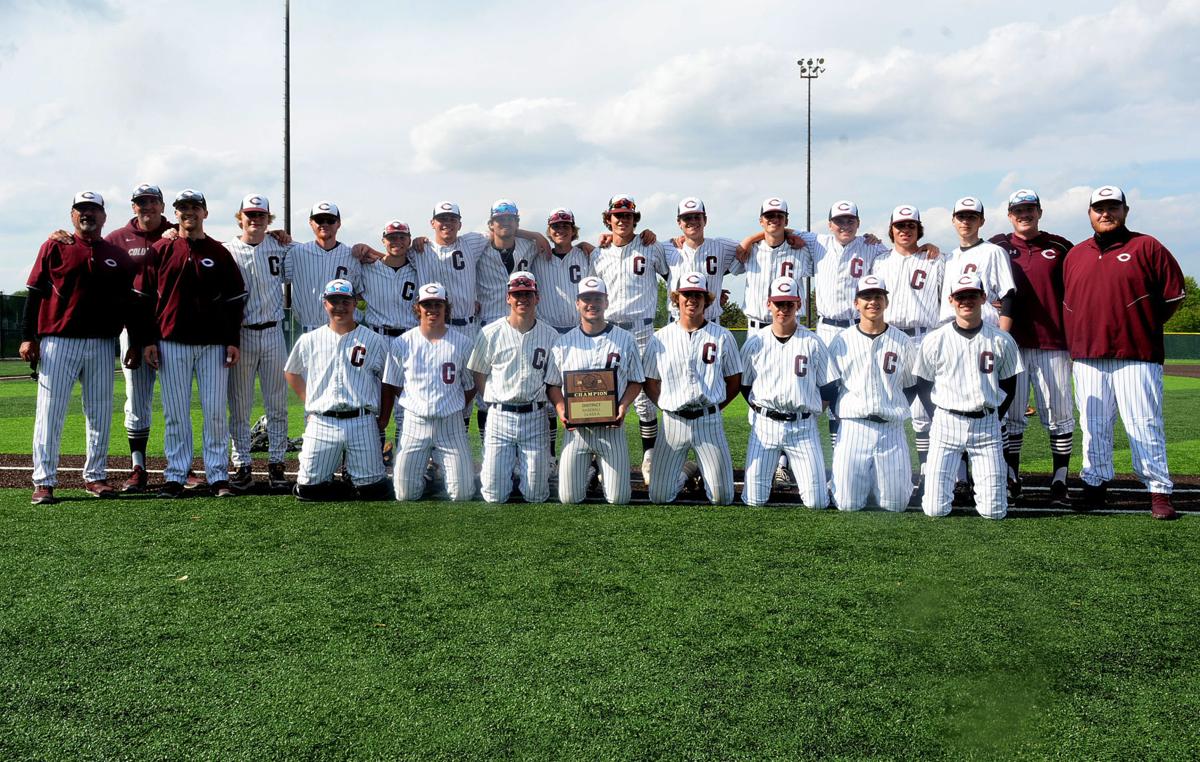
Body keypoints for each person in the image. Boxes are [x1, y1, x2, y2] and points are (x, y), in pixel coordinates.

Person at [1063, 185, 1185, 520]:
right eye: (1099, 208)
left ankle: (1158, 489)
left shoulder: (1146, 246)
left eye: (1112, 207)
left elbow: (1174, 296)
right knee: (1093, 423)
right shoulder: (1076, 254)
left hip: (1136, 353)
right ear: (1089, 214)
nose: (1106, 213)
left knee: (1143, 422)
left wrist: (1141, 324)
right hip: (1087, 354)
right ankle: (1095, 483)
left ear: (1125, 211)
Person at [23, 191, 136, 504]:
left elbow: (129, 303)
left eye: (93, 210)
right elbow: (34, 293)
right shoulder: (55, 246)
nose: (88, 215)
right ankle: (43, 482)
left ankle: (95, 476)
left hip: (101, 343)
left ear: (103, 216)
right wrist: (27, 335)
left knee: (99, 413)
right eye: (81, 209)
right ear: (72, 214)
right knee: (50, 413)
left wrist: (135, 341)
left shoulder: (115, 254)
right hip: (58, 341)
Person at [134, 189, 246, 498]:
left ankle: (218, 476)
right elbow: (142, 300)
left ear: (205, 213)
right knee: (176, 414)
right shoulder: (161, 249)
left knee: (214, 412)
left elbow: (235, 300)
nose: (189, 213)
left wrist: (232, 340)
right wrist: (147, 341)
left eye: (195, 207)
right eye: (183, 208)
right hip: (171, 343)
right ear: (177, 213)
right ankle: (175, 475)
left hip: (212, 344)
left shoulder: (219, 251)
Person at [988, 189, 1075, 506]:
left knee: (1060, 413)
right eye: (1018, 210)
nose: (1024, 214)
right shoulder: (996, 246)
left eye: (1030, 209)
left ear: (1040, 212)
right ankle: (1013, 477)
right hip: (1012, 344)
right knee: (1012, 415)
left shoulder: (1060, 246)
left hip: (1053, 342)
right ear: (1010, 215)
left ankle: (1060, 480)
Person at [914, 273, 1021, 519]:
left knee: (994, 512)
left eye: (972, 295)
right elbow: (923, 383)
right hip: (946, 424)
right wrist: (937, 416)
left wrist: (995, 415)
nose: (966, 301)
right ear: (951, 299)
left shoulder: (1002, 340)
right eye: (960, 296)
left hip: (986, 425)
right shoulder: (935, 339)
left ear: (983, 298)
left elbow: (1009, 384)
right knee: (934, 509)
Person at [283, 279, 392, 500]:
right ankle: (343, 484)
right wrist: (309, 404)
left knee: (374, 491)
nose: (340, 306)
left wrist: (384, 418)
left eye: (345, 300)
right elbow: (291, 372)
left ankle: (355, 481)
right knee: (307, 490)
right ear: (325, 304)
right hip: (324, 421)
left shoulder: (373, 340)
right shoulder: (310, 339)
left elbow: (388, 381)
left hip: (361, 420)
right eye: (334, 301)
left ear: (354, 303)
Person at [590, 194, 671, 483]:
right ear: (608, 219)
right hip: (609, 329)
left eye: (627, 216)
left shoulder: (651, 247)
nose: (622, 220)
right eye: (617, 215)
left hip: (642, 328)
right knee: (604, 393)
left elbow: (675, 273)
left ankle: (649, 455)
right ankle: (602, 456)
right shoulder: (598, 253)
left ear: (635, 219)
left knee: (646, 397)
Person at [643, 272, 743, 505]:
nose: (692, 300)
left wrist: (715, 407)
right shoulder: (660, 338)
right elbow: (650, 382)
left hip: (708, 422)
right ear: (676, 298)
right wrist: (668, 404)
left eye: (698, 295)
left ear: (706, 300)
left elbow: (734, 381)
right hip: (673, 423)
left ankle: (704, 471)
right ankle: (687, 472)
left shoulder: (723, 336)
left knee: (723, 498)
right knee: (659, 496)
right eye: (686, 294)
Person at [546, 276, 645, 505]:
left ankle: (599, 472)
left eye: (597, 298)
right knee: (569, 498)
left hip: (612, 429)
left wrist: (622, 406)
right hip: (577, 433)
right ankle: (590, 473)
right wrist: (561, 409)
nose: (592, 303)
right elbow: (552, 385)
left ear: (606, 302)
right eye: (586, 298)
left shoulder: (625, 339)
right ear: (577, 303)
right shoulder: (563, 342)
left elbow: (636, 381)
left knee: (619, 499)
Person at [739, 276, 836, 508]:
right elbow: (744, 385)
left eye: (789, 304)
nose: (783, 309)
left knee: (817, 503)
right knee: (754, 500)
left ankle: (833, 486)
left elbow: (829, 387)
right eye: (779, 303)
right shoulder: (755, 343)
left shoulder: (813, 342)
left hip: (802, 427)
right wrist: (761, 410)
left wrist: (811, 411)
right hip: (765, 426)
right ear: (768, 304)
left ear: (798, 305)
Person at [870, 205, 945, 504]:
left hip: (925, 336)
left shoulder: (936, 259)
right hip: (890, 337)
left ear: (919, 228)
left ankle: (929, 470)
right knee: (890, 404)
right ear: (891, 230)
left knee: (927, 411)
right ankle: (892, 469)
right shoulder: (879, 262)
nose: (905, 230)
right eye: (900, 225)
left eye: (911, 225)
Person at [103, 184, 175, 492]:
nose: (146, 206)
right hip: (133, 331)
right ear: (133, 206)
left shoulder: (177, 231)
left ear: (162, 205)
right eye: (140, 202)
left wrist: (274, 235)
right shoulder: (116, 240)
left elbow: (217, 247)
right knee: (137, 399)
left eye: (152, 201)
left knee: (177, 400)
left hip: (173, 329)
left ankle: (179, 467)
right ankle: (138, 467)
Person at [827, 274, 919, 512]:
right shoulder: (842, 341)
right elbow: (832, 387)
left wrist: (890, 405)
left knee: (896, 505)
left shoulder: (902, 341)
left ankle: (878, 480)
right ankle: (858, 480)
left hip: (891, 428)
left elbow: (909, 386)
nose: (872, 302)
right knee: (847, 504)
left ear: (886, 302)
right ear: (856, 303)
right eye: (866, 297)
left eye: (878, 296)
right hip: (854, 427)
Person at [467, 271, 560, 503]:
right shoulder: (490, 333)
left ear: (537, 297)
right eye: (517, 294)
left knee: (537, 495)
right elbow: (478, 371)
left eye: (527, 294)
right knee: (493, 495)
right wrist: (492, 399)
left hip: (535, 416)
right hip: (500, 416)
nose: (522, 299)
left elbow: (552, 380)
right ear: (508, 297)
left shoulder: (551, 335)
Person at [382, 282, 477, 502]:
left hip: (450, 424)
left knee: (462, 494)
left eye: (437, 304)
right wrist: (415, 401)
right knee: (405, 495)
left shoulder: (463, 343)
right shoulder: (402, 343)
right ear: (418, 307)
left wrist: (454, 403)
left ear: (446, 307)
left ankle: (438, 474)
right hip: (415, 423)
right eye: (427, 304)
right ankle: (427, 479)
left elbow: (471, 385)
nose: (432, 309)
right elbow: (394, 383)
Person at [224, 194, 291, 493]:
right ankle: (243, 465)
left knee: (277, 405)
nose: (255, 219)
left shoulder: (280, 246)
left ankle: (277, 465)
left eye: (261, 215)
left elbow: (318, 253)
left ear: (269, 219)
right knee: (240, 406)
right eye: (249, 214)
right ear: (240, 217)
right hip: (242, 335)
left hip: (274, 332)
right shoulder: (227, 251)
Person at [282, 201, 362, 333]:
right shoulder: (296, 252)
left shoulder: (352, 255)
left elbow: (359, 294)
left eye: (330, 220)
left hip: (343, 331)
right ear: (311, 223)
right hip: (307, 329)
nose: (324, 224)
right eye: (319, 220)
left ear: (339, 224)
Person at [662, 197, 744, 322]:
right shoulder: (668, 248)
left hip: (711, 321)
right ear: (679, 222)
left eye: (697, 217)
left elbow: (756, 246)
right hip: (676, 323)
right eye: (687, 218)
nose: (693, 221)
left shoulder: (721, 246)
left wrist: (785, 232)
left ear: (705, 220)